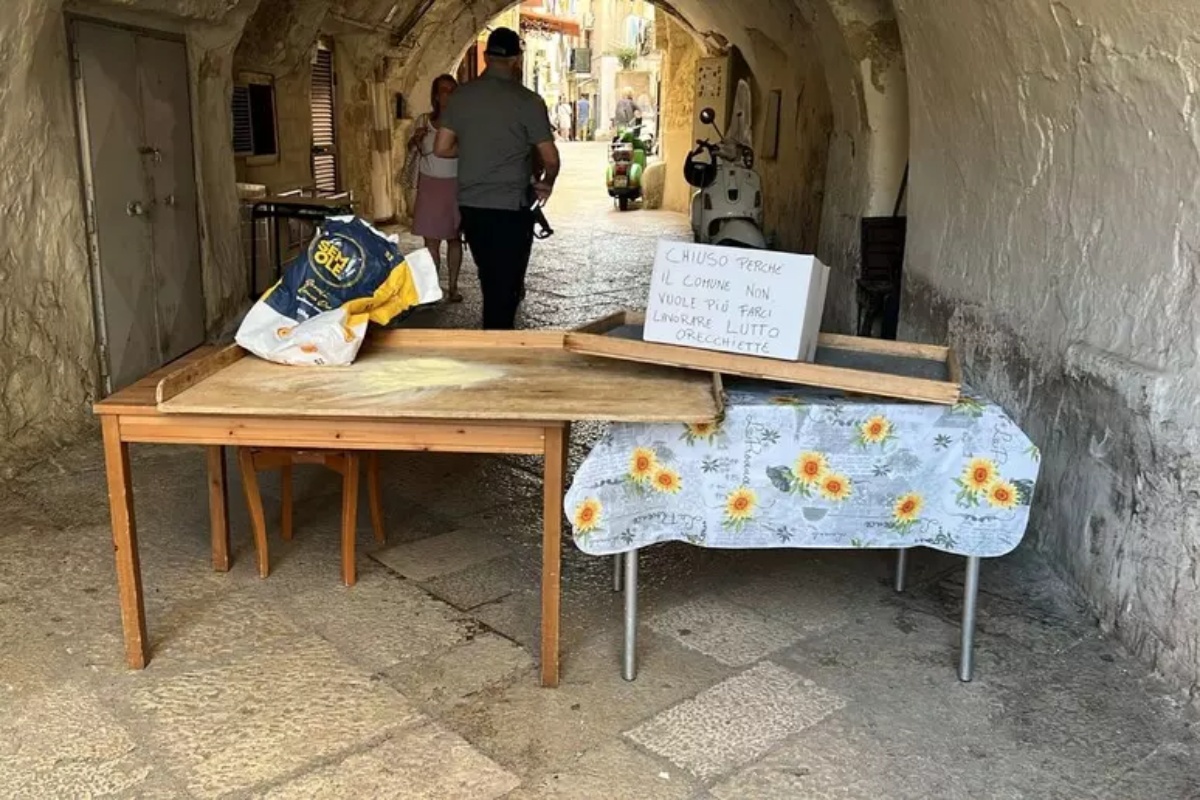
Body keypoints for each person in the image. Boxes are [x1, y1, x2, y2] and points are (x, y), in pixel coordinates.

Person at [434, 28, 560, 330]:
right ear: (517, 58)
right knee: (507, 284)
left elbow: (442, 149)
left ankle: (495, 336)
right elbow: (551, 158)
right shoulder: (528, 101)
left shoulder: (461, 97)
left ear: (487, 56)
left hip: (472, 205)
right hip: (511, 206)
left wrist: (477, 152)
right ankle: (499, 343)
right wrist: (547, 182)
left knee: (489, 276)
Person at [407, 74, 463, 302]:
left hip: (455, 184)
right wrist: (415, 140)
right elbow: (412, 149)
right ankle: (433, 288)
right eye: (443, 90)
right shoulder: (423, 121)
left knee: (455, 238)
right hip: (429, 185)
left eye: (452, 90)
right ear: (436, 95)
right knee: (430, 242)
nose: (447, 95)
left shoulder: (463, 122)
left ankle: (453, 286)